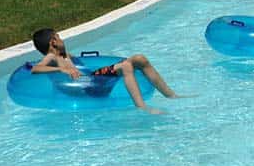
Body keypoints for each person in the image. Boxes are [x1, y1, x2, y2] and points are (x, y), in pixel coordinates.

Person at [30, 28, 179, 114]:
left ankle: (171, 95)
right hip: (89, 88)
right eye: (59, 37)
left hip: (94, 81)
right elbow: (36, 69)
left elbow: (85, 67)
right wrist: (61, 69)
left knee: (140, 59)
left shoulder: (66, 55)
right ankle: (143, 108)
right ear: (53, 42)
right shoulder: (52, 57)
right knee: (126, 66)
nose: (62, 40)